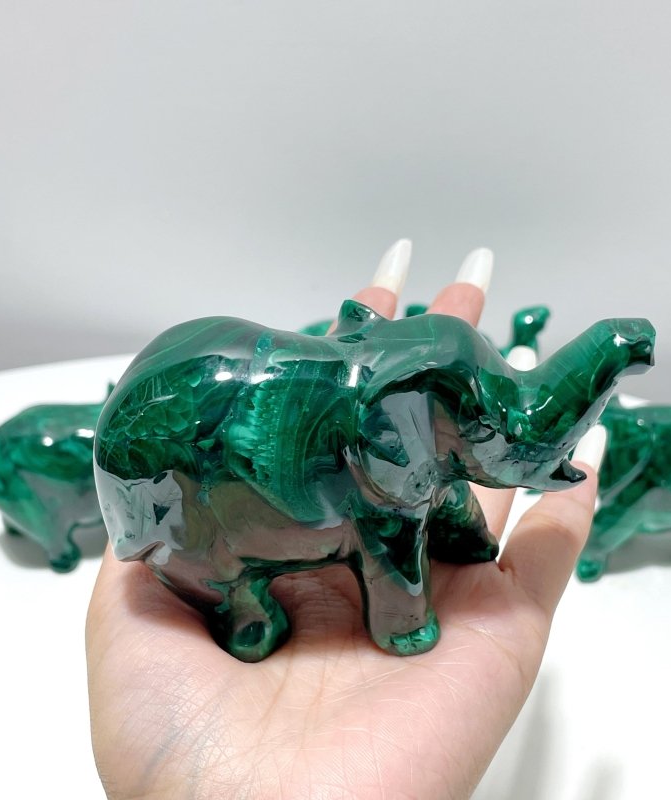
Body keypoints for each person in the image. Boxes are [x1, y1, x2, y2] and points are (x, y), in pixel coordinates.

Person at [85, 242, 602, 800]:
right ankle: (243, 612)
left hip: (208, 416)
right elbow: (399, 549)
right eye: (484, 426)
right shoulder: (388, 488)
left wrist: (465, 528)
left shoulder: (403, 453)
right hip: (190, 502)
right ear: (394, 439)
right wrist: (406, 626)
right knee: (236, 585)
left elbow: (442, 479)